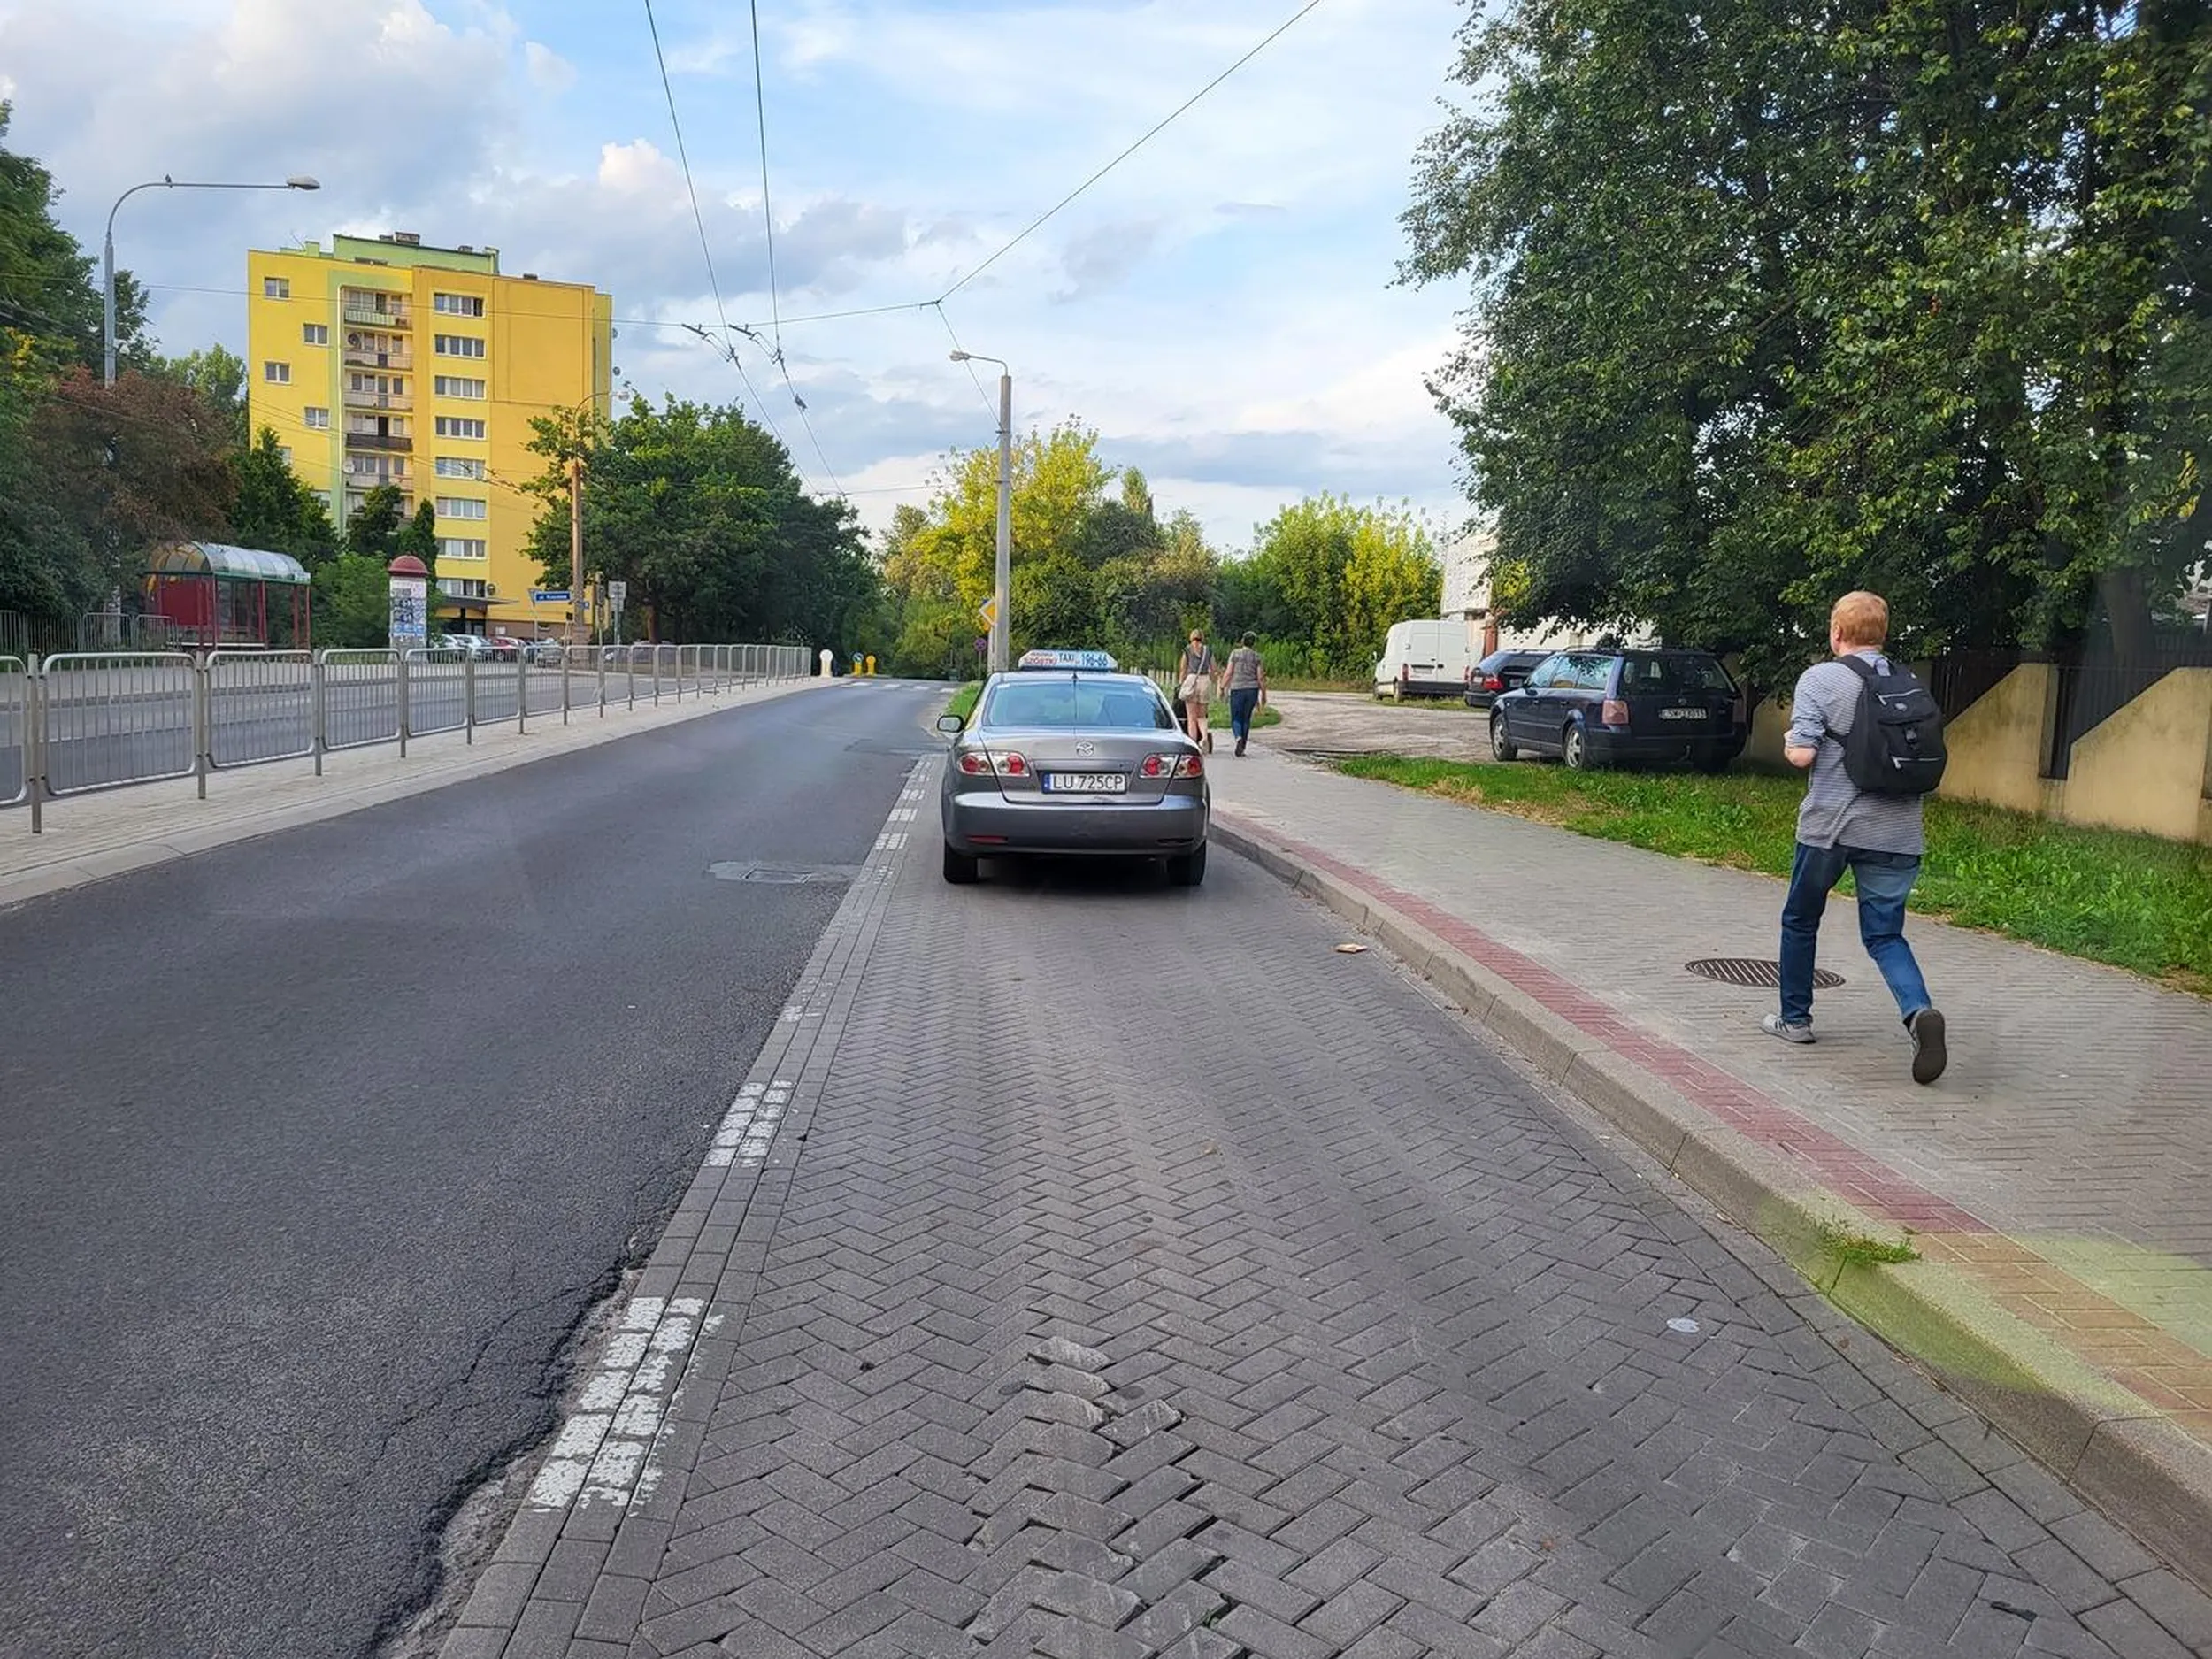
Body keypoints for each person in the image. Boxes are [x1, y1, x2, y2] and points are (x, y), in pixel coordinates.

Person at [1766, 591, 1947, 1084]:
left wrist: (1791, 742)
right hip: (1899, 832)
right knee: (1886, 934)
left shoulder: (1820, 679)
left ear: (1836, 632)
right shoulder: (1908, 682)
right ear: (1882, 634)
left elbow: (1802, 755)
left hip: (1831, 827)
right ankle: (1918, 1012)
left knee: (1801, 920)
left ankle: (1795, 1019)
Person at [1223, 632, 1266, 757]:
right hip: (1252, 690)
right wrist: (1263, 693)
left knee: (1236, 717)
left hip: (1237, 688)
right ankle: (1243, 747)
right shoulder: (1257, 657)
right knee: (1246, 718)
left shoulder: (1235, 654)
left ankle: (1238, 738)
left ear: (1243, 641)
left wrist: (1222, 687)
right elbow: (1260, 677)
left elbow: (1229, 672)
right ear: (1254, 643)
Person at [1179, 628, 1217, 754]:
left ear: (1191, 637)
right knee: (1202, 716)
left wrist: (1181, 683)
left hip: (1191, 680)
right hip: (1204, 680)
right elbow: (1213, 668)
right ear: (1202, 638)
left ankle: (1194, 744)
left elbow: (1183, 669)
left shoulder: (1187, 650)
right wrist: (1213, 681)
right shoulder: (1208, 650)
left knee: (1191, 717)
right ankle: (1204, 738)